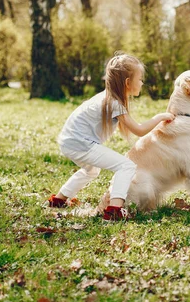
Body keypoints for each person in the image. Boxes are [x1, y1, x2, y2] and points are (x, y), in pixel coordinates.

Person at [47, 53, 174, 220]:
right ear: (128, 83)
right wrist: (160, 117)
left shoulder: (108, 98)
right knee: (126, 166)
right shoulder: (114, 103)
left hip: (70, 141)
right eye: (140, 79)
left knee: (91, 171)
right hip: (79, 142)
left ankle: (58, 200)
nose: (142, 82)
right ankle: (114, 210)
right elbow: (140, 130)